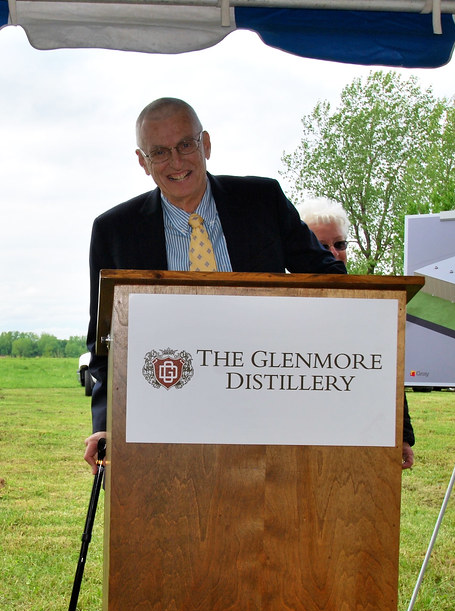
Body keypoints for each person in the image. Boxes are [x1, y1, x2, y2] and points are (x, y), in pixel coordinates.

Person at [83, 97, 346, 472]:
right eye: (159, 152)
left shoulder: (263, 202)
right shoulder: (114, 231)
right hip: (165, 420)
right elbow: (106, 342)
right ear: (143, 162)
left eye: (185, 145)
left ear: (205, 144)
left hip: (265, 414)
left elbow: (330, 282)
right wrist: (106, 426)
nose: (176, 162)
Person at [296, 196, 415, 470]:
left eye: (339, 244)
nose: (333, 253)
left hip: (359, 444)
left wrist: (403, 436)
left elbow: (388, 374)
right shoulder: (276, 305)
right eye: (321, 245)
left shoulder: (371, 305)